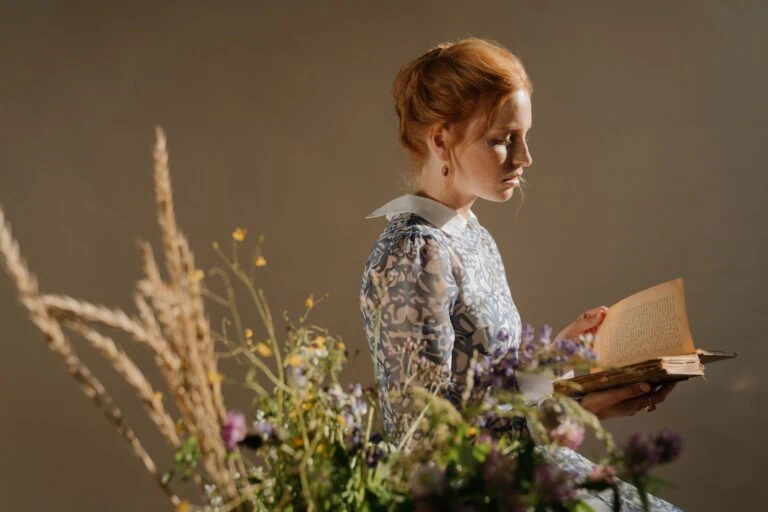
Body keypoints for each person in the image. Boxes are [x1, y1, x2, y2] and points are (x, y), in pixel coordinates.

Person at [359, 37, 682, 511]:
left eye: (524, 136)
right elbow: (425, 443)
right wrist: (571, 411)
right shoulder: (415, 252)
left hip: (521, 473)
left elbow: (487, 392)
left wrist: (556, 360)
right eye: (503, 139)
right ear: (441, 139)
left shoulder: (469, 232)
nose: (524, 157)